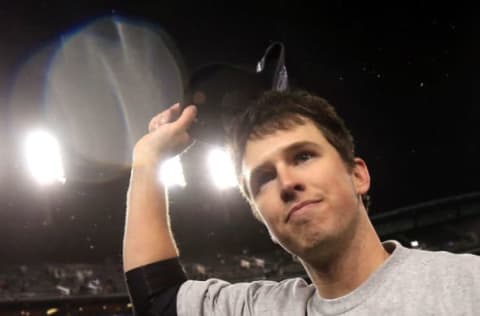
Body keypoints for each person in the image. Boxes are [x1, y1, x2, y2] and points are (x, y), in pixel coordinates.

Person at [123, 90, 480, 316]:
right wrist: (148, 159)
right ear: (262, 219)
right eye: (263, 178)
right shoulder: (263, 309)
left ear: (357, 175)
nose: (287, 183)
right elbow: (158, 301)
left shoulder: (467, 284)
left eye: (304, 156)